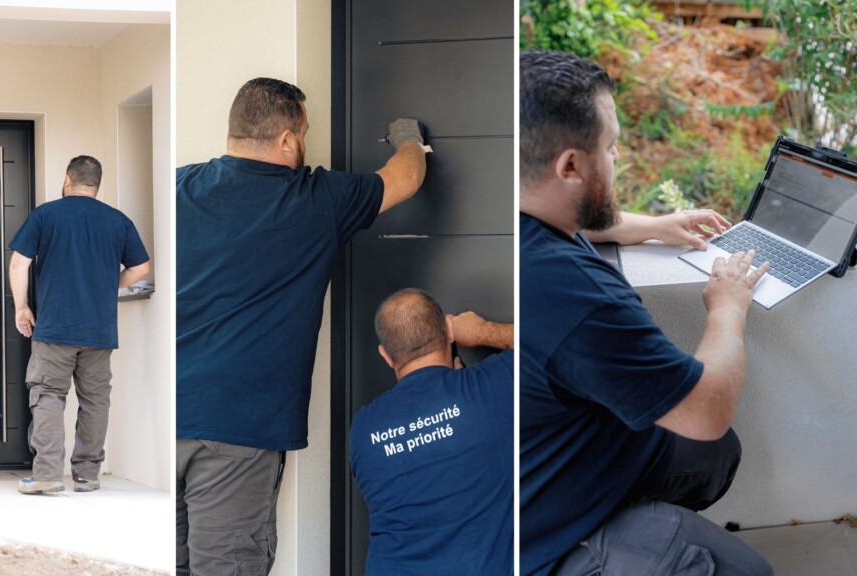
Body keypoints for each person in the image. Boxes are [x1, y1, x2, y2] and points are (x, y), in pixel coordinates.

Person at [519, 49, 774, 575]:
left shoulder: (512, 222)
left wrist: (647, 225)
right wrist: (727, 307)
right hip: (545, 526)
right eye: (610, 148)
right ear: (570, 165)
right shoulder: (577, 295)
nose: (617, 156)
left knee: (713, 457)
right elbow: (705, 411)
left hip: (531, 460)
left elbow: (567, 218)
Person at [176, 77, 429, 574]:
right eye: (305, 132)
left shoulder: (180, 186)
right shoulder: (315, 200)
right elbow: (406, 177)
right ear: (287, 140)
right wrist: (408, 136)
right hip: (238, 430)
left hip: (171, 414)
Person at [8, 155, 150, 495]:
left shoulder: (46, 214)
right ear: (96, 185)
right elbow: (141, 268)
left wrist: (22, 306)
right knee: (95, 400)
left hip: (55, 328)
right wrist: (107, 282)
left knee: (48, 397)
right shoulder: (117, 221)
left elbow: (18, 264)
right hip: (99, 332)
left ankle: (47, 475)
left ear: (67, 179)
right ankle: (87, 475)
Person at [349, 288, 513, 575]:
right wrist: (483, 331)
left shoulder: (363, 428)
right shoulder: (493, 387)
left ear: (386, 356)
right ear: (449, 331)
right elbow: (551, 341)